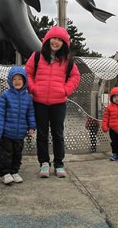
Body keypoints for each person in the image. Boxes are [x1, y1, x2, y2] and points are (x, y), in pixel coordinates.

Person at [25, 25, 80, 178]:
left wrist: (66, 90)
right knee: (41, 134)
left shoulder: (67, 61)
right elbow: (27, 73)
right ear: (47, 39)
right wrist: (33, 88)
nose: (56, 42)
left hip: (58, 103)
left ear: (64, 44)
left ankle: (59, 163)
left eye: (60, 40)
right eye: (53, 38)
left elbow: (75, 77)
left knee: (58, 133)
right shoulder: (36, 56)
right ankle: (43, 163)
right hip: (39, 102)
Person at [0, 66, 36, 184]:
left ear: (25, 81)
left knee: (17, 154)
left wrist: (32, 126)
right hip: (6, 133)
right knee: (5, 154)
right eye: (14, 79)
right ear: (10, 81)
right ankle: (4, 173)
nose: (17, 82)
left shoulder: (28, 98)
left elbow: (30, 114)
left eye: (20, 79)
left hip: (20, 134)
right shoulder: (5, 96)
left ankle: (14, 171)